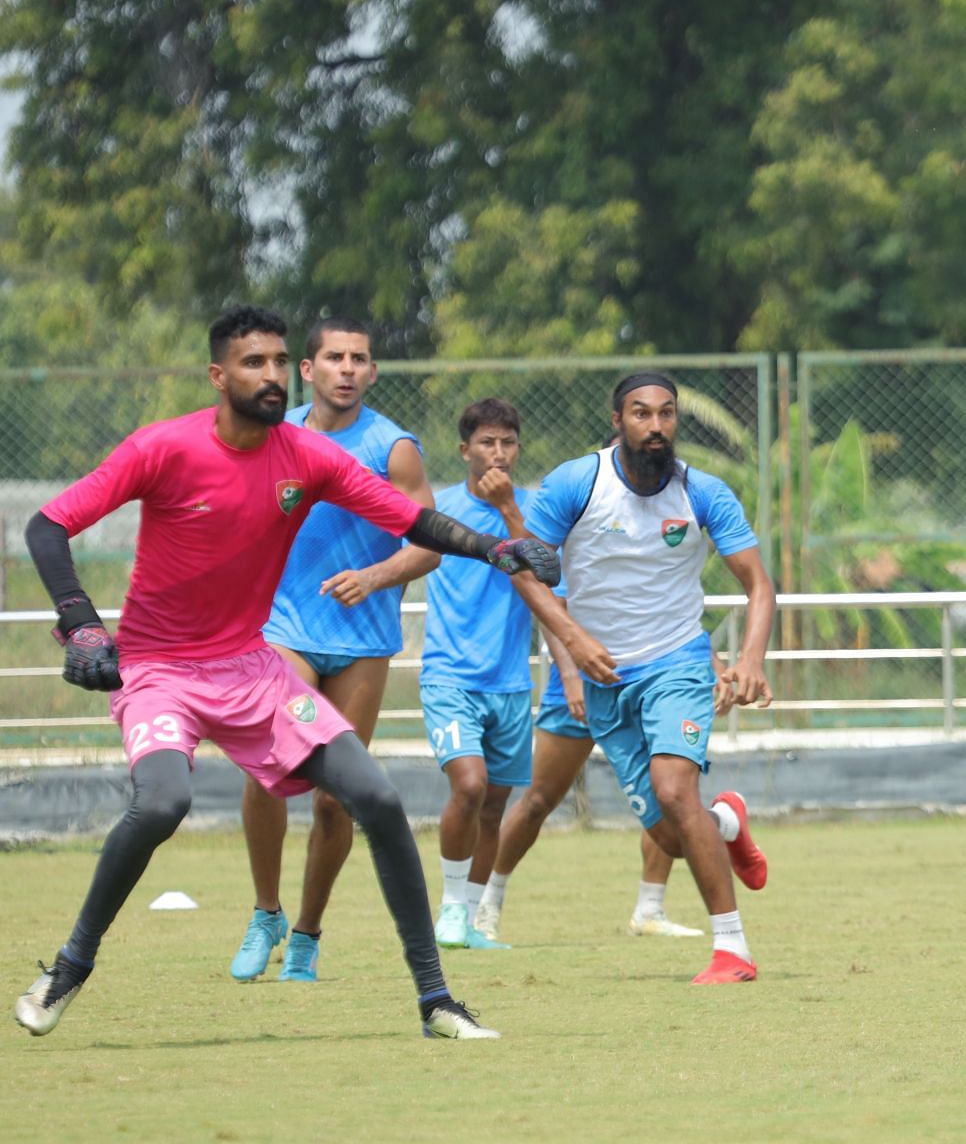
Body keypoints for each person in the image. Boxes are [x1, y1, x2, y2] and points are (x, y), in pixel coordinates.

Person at [14, 305, 560, 1040]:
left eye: (276, 361)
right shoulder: (162, 448)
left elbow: (412, 521)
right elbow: (47, 526)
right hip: (161, 671)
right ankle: (69, 969)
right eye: (254, 363)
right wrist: (81, 624)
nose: (270, 374)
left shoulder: (307, 456)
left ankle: (436, 1000)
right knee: (164, 802)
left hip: (251, 669)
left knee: (376, 796)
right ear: (218, 376)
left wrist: (498, 550)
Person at [512, 372, 777, 983]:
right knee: (672, 829)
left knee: (674, 790)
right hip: (607, 679)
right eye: (640, 414)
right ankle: (728, 823)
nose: (655, 426)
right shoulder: (577, 483)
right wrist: (574, 640)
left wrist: (751, 659)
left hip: (678, 662)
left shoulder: (703, 493)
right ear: (617, 420)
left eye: (666, 414)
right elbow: (526, 570)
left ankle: (732, 949)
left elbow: (758, 583)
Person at [230, 317, 433, 984]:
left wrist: (374, 577)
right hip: (283, 631)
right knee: (269, 769)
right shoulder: (270, 434)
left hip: (366, 642)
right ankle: (265, 912)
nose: (347, 368)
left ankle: (308, 934)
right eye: (334, 357)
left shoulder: (394, 447)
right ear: (307, 370)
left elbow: (429, 540)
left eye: (360, 359)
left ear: (372, 373)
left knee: (334, 798)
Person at [476, 616, 709, 941]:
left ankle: (649, 909)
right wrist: (571, 676)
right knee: (538, 801)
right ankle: (485, 905)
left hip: (644, 684)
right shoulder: (572, 562)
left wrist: (713, 665)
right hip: (578, 692)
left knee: (664, 789)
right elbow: (551, 607)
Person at [413, 397, 540, 953]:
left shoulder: (532, 509)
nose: (498, 452)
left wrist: (510, 509)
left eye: (508, 442)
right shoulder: (436, 509)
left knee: (494, 806)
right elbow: (402, 558)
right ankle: (446, 908)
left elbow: (544, 572)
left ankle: (467, 921)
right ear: (465, 450)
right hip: (450, 677)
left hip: (511, 683)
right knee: (468, 785)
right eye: (487, 443)